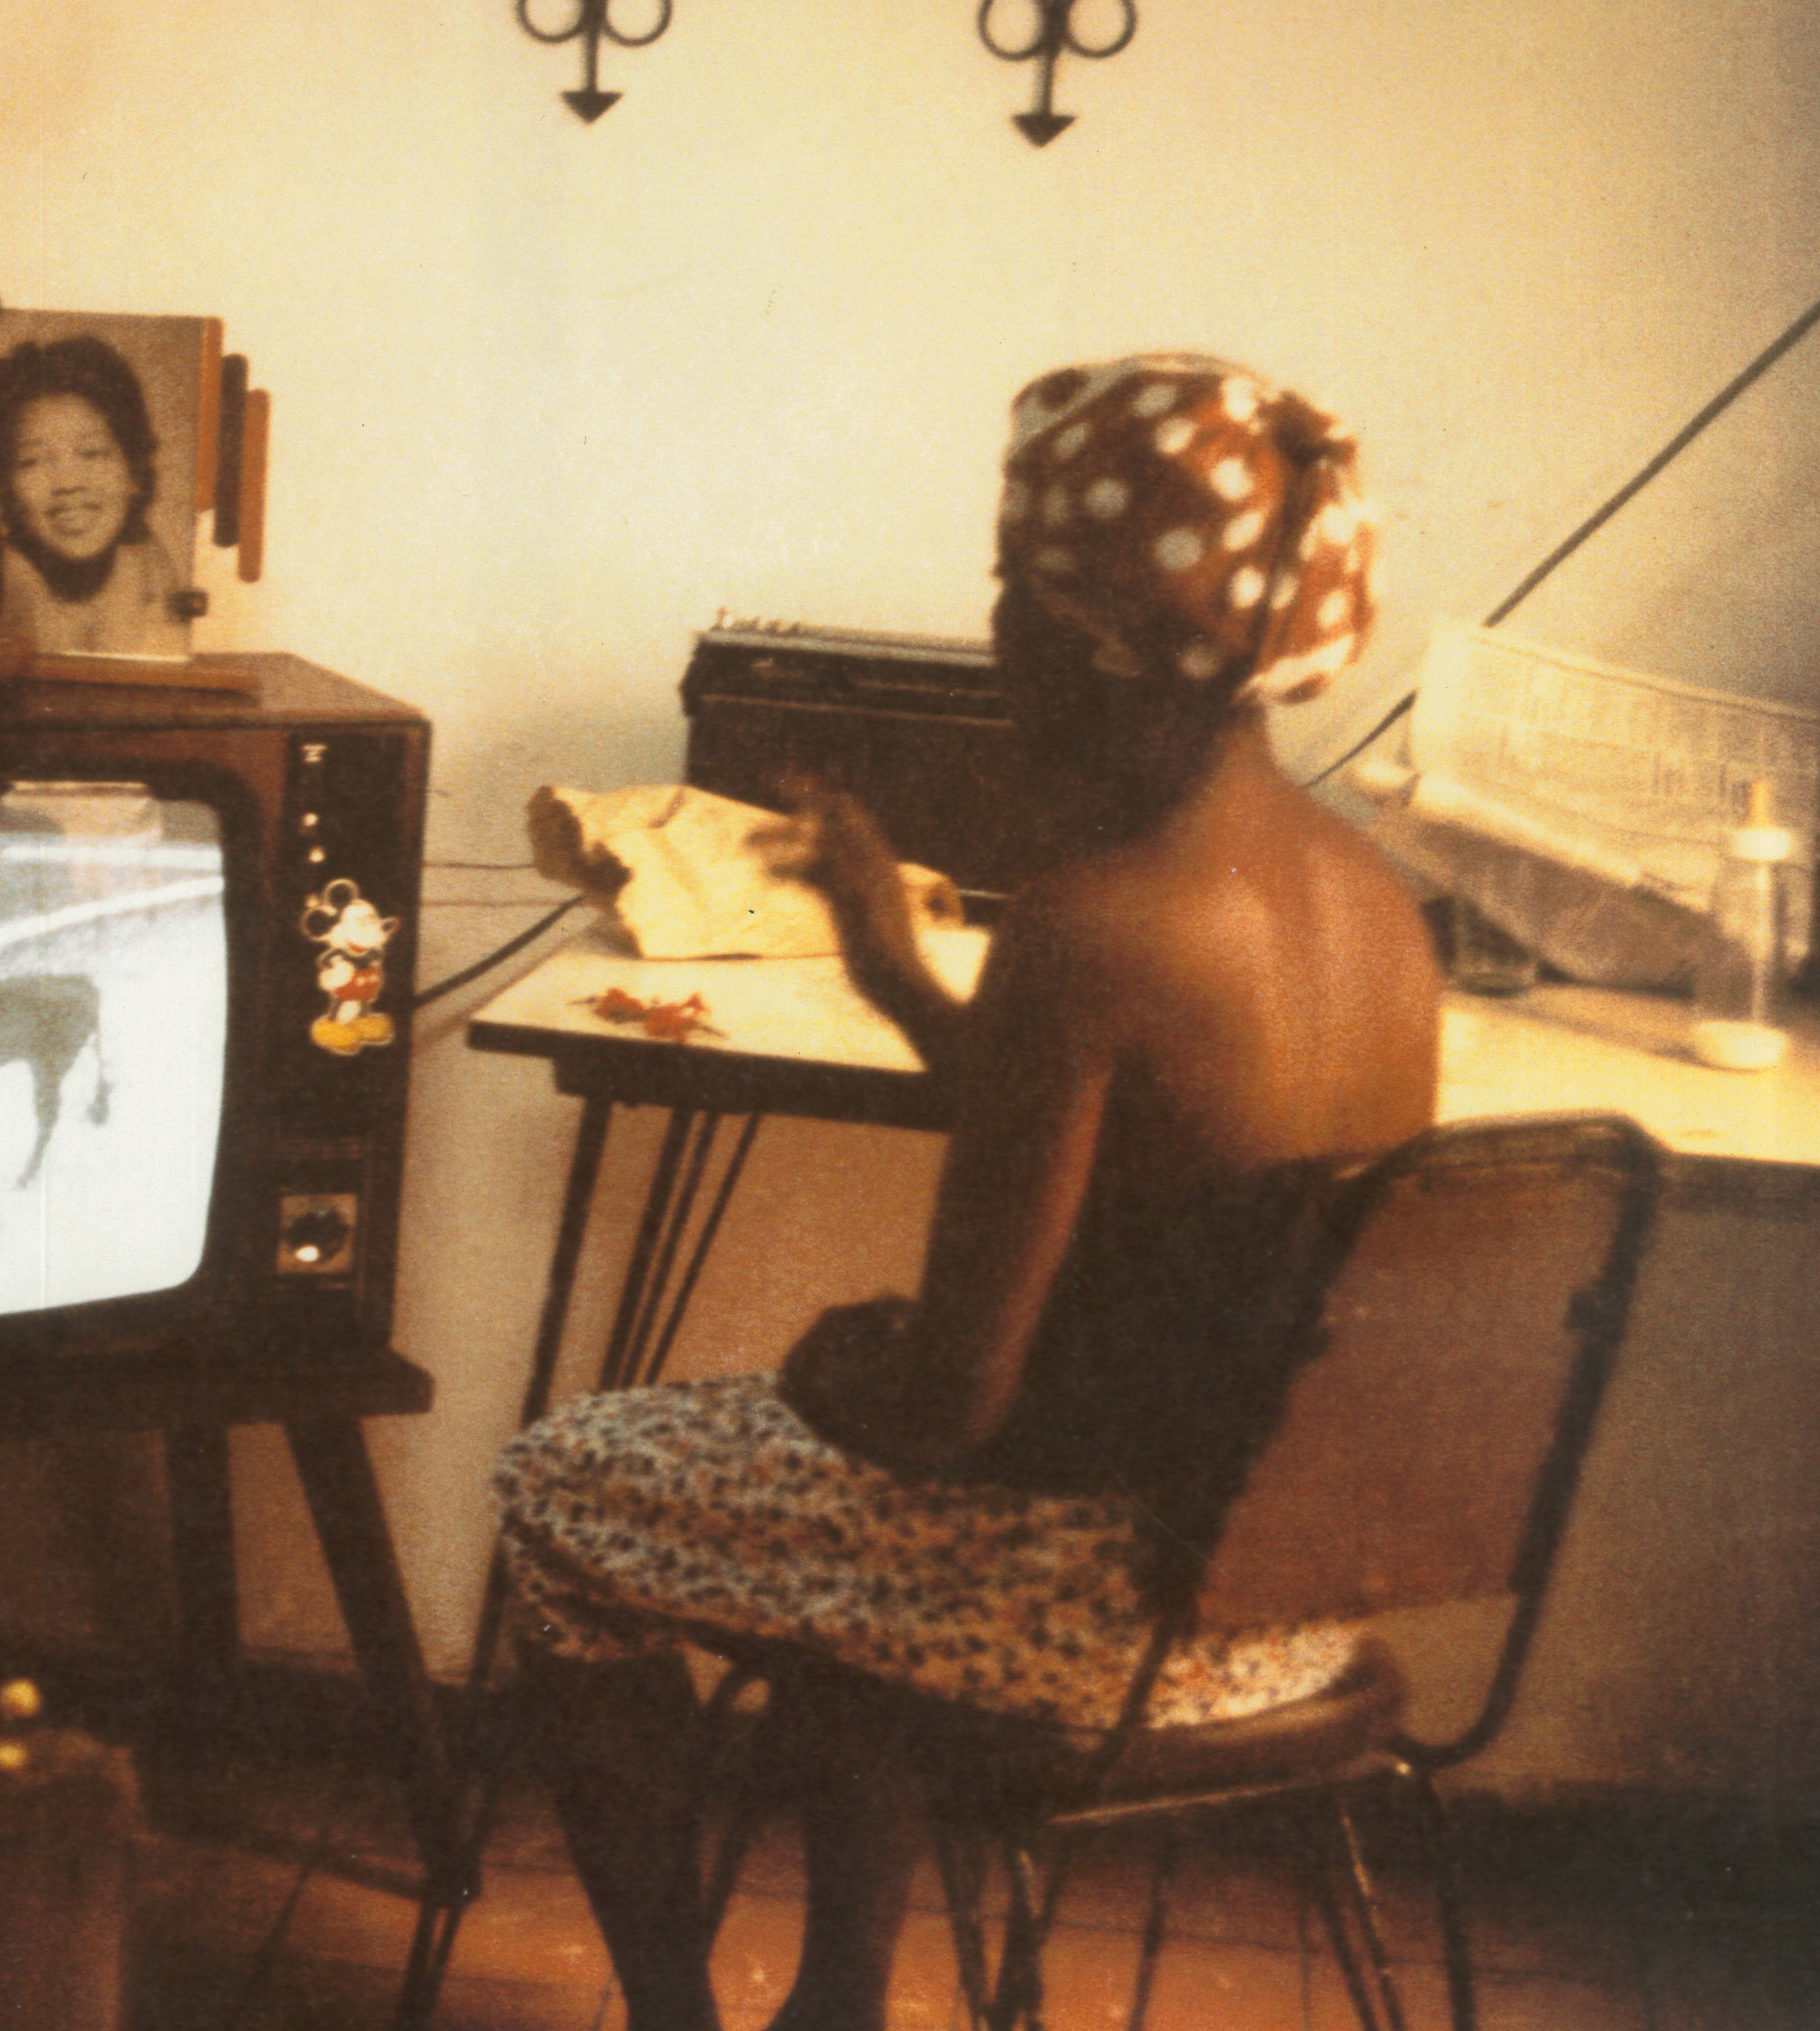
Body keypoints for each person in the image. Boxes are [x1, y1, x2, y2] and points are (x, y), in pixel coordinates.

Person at [490, 356, 1441, 2031]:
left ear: (1083, 637)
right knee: (848, 1526)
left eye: (1007, 594)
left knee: (562, 1481)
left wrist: (822, 1369)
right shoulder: (1373, 901)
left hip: (1096, 1615)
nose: (991, 635)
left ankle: (668, 2012)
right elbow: (1144, 1173)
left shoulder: (1094, 918)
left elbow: (941, 1407)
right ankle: (836, 2000)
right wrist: (905, 979)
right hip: (1292, 1598)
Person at [0, 333, 190, 656]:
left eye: (92, 453)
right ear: (1, 482)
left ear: (134, 469)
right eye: (33, 460)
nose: (69, 483)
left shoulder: (152, 571)